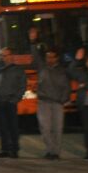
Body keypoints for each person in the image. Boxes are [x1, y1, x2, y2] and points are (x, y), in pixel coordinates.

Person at [29, 28, 70, 160]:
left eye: (52, 57)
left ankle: (56, 152)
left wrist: (63, 99)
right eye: (47, 57)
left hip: (57, 103)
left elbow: (66, 86)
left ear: (56, 58)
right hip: (44, 102)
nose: (49, 59)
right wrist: (33, 42)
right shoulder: (42, 67)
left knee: (57, 128)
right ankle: (49, 150)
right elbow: (35, 55)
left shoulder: (62, 71)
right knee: (45, 128)